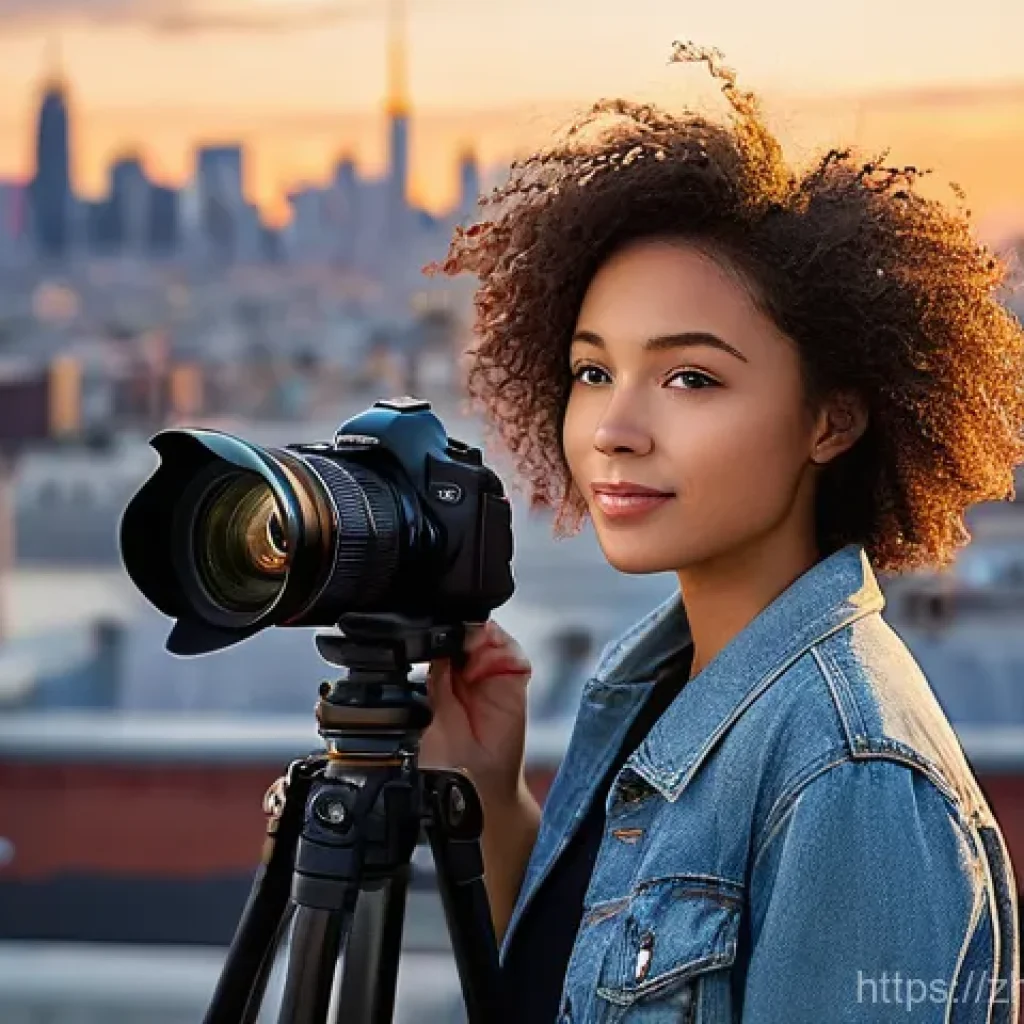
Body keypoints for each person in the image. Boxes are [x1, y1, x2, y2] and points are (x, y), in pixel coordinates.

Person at [420, 41, 1024, 1023]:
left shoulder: (853, 775)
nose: (614, 430)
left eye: (690, 378)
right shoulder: (661, 686)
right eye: (592, 372)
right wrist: (491, 798)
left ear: (831, 419)